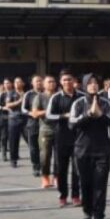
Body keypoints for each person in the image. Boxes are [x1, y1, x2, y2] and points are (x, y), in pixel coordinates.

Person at [69, 74, 110, 219]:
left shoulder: (106, 103)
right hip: (83, 150)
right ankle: (87, 212)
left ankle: (99, 216)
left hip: (102, 150)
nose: (93, 85)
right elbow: (72, 124)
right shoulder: (78, 103)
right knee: (86, 184)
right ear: (84, 86)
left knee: (100, 184)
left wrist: (100, 115)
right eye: (89, 83)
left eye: (96, 82)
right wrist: (89, 114)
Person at [47, 70, 84, 207]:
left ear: (74, 81)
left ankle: (76, 196)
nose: (67, 82)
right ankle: (62, 196)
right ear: (60, 82)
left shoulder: (82, 96)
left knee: (77, 169)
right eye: (64, 80)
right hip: (61, 137)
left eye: (69, 79)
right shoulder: (56, 97)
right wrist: (64, 116)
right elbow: (49, 116)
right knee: (61, 169)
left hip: (78, 138)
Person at [31, 75, 58, 188]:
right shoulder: (39, 97)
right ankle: (45, 177)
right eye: (49, 81)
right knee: (45, 155)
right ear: (44, 84)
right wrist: (48, 111)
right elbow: (34, 113)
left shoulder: (59, 96)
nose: (51, 83)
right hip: (45, 130)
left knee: (59, 156)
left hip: (59, 130)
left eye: (53, 81)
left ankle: (57, 177)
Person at [21, 75, 44, 176]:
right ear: (32, 83)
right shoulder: (28, 94)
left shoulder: (46, 94)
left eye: (40, 81)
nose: (39, 82)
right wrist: (31, 113)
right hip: (33, 124)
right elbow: (23, 109)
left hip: (45, 124)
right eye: (37, 81)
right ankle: (36, 166)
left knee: (45, 148)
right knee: (33, 147)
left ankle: (44, 165)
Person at [4, 77, 27, 169]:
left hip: (26, 120)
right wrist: (19, 101)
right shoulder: (11, 93)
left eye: (19, 82)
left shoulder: (27, 94)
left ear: (23, 83)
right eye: (15, 82)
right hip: (14, 119)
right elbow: (8, 105)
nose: (17, 83)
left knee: (31, 140)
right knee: (14, 141)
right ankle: (13, 160)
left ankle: (36, 161)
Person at [0, 78, 13, 162]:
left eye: (8, 83)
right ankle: (4, 154)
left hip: (14, 118)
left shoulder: (15, 93)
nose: (6, 85)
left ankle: (14, 154)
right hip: (4, 118)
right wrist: (4, 107)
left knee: (13, 137)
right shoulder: (2, 94)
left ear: (11, 84)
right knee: (4, 137)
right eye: (5, 83)